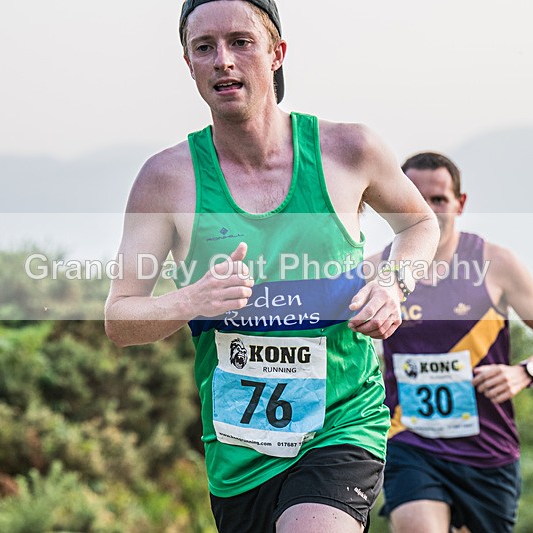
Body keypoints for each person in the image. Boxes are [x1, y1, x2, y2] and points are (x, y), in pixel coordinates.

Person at [104, 1, 439, 531]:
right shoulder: (166, 179)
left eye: (241, 42)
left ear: (276, 53)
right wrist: (191, 300)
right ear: (188, 64)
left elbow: (420, 225)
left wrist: (395, 284)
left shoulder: (348, 149)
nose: (223, 61)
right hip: (239, 454)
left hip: (342, 422)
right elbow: (120, 320)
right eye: (204, 48)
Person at [375, 152, 533, 533]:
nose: (428, 211)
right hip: (409, 440)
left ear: (460, 203)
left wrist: (524, 372)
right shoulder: (376, 270)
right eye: (416, 199)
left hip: (487, 450)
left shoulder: (496, 263)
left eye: (438, 200)